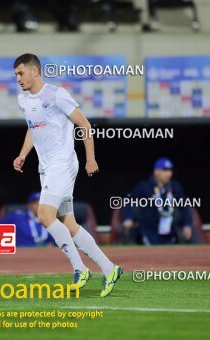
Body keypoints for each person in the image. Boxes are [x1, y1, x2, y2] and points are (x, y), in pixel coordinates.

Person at [12, 53, 122, 297]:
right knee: (69, 224)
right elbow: (32, 129)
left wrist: (90, 158)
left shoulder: (56, 94)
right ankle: (109, 268)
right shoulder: (23, 100)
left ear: (35, 72)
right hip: (47, 167)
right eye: (16, 75)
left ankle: (80, 269)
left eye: (21, 73)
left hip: (63, 163)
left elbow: (85, 125)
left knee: (43, 214)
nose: (18, 78)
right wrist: (22, 155)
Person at [121, 157, 193, 245]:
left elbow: (185, 205)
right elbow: (128, 200)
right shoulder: (145, 186)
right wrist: (128, 218)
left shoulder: (174, 187)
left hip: (170, 231)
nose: (169, 174)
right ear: (156, 171)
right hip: (149, 231)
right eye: (165, 170)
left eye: (170, 170)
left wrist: (187, 224)